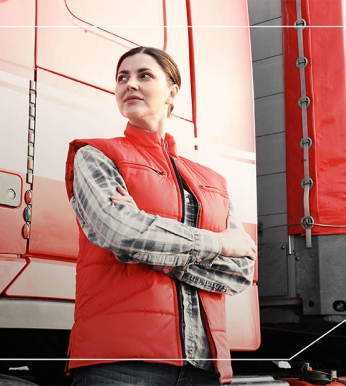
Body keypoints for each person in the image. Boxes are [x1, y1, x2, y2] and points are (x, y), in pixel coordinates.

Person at [64, 46, 257, 386]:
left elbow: (241, 270)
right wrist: (217, 244)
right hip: (120, 363)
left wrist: (151, 246)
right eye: (122, 78)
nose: (130, 85)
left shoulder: (213, 182)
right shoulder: (97, 155)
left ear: (172, 92)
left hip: (203, 366)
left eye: (144, 75)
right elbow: (120, 232)